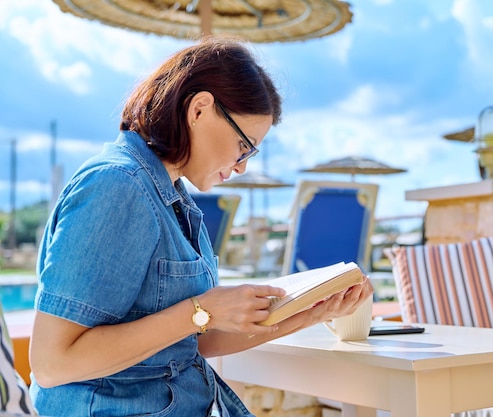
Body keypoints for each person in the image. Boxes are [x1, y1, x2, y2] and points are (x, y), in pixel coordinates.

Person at [29, 36, 373, 417]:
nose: (243, 166)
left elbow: (194, 341)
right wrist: (201, 309)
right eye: (244, 146)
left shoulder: (174, 199)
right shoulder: (118, 187)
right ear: (200, 109)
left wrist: (312, 313)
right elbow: (52, 363)